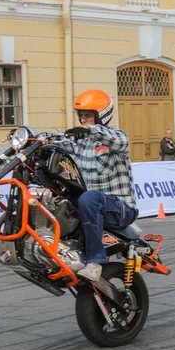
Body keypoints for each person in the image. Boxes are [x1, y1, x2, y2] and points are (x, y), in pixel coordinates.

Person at [63, 89, 137, 282]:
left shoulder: (117, 138)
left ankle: (96, 262)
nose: (85, 119)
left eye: (89, 115)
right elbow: (59, 142)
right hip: (92, 209)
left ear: (101, 115)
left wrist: (91, 130)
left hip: (120, 208)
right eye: (82, 116)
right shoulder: (79, 142)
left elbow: (121, 141)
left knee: (89, 197)